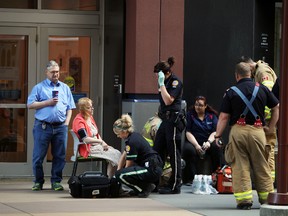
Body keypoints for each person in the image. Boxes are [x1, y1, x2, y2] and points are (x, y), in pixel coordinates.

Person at [215, 62, 279, 209]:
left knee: (240, 166)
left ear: (236, 75)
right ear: (250, 74)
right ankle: (267, 199)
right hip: (258, 132)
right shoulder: (262, 88)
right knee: (262, 166)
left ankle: (244, 201)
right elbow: (276, 107)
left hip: (238, 132)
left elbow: (224, 117)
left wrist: (218, 135)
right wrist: (270, 127)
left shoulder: (231, 91)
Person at [27, 60, 76, 191]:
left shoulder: (65, 88)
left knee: (59, 156)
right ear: (46, 72)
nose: (55, 74)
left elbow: (70, 107)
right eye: (53, 72)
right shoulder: (39, 87)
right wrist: (47, 102)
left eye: (57, 72)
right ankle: (38, 181)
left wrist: (66, 123)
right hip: (43, 126)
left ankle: (56, 181)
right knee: (38, 156)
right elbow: (30, 104)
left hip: (60, 127)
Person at [239, 56, 278, 182]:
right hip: (268, 117)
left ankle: (269, 182)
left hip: (269, 119)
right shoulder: (258, 71)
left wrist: (264, 117)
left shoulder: (262, 71)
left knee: (268, 148)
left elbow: (268, 93)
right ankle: (266, 181)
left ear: (249, 65)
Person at [153, 56, 185, 194]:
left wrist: (161, 84)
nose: (156, 78)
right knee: (157, 149)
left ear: (165, 73)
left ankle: (175, 185)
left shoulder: (175, 82)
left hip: (173, 120)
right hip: (165, 120)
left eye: (158, 75)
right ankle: (155, 181)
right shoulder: (163, 82)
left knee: (174, 153)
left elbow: (168, 101)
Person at [113, 114, 163, 198]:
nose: (118, 136)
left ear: (124, 131)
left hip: (151, 168)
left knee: (121, 175)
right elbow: (124, 155)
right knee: (119, 173)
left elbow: (129, 165)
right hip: (154, 165)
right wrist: (118, 170)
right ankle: (142, 186)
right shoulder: (134, 136)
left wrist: (117, 176)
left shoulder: (132, 142)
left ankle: (144, 188)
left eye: (118, 134)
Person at [72, 97, 121, 178]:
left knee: (117, 152)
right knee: (115, 154)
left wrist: (103, 143)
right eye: (89, 107)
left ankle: (110, 180)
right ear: (82, 110)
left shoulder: (90, 118)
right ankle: (109, 180)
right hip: (88, 148)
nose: (92, 109)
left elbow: (96, 134)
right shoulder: (79, 121)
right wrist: (100, 142)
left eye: (92, 106)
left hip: (96, 145)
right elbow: (85, 139)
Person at [182, 96, 222, 185]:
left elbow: (215, 132)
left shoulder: (212, 116)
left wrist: (208, 142)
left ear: (205, 106)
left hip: (208, 141)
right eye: (196, 105)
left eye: (200, 105)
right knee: (188, 150)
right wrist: (196, 145)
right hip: (194, 141)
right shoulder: (190, 115)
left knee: (217, 148)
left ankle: (216, 175)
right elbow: (188, 132)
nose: (198, 107)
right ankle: (191, 178)